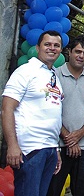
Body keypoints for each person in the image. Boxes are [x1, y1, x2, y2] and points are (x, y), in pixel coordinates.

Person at [2, 31, 64, 196]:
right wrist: (13, 145)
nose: (52, 48)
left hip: (49, 148)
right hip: (29, 150)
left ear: (60, 50)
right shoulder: (25, 71)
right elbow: (7, 108)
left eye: (56, 45)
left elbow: (51, 113)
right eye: (47, 44)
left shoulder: (54, 75)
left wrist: (55, 148)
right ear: (38, 47)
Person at [47, 36, 84, 196]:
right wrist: (68, 139)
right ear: (69, 52)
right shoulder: (54, 76)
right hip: (57, 145)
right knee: (52, 190)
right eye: (78, 51)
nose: (81, 56)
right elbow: (49, 111)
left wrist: (78, 136)